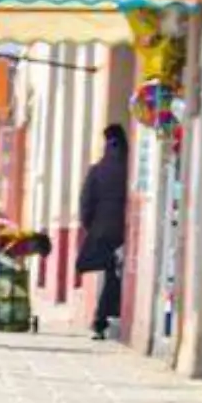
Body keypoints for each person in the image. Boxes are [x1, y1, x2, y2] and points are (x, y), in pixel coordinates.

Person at [77, 124, 129, 341]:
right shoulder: (129, 167)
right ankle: (105, 318)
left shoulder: (98, 169)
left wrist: (91, 226)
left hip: (102, 229)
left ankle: (101, 320)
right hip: (124, 229)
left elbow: (85, 203)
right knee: (114, 276)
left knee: (111, 275)